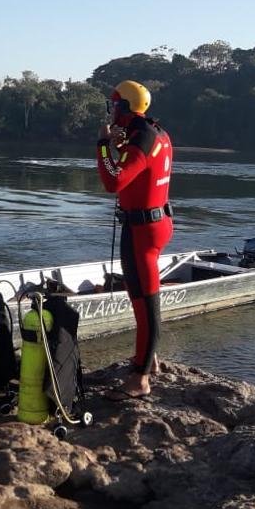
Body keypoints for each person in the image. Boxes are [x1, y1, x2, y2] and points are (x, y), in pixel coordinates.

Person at [96, 80, 174, 400]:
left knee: (144, 304)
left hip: (142, 229)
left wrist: (102, 145)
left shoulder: (141, 138)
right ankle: (148, 360)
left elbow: (114, 181)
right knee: (142, 298)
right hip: (155, 222)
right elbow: (137, 172)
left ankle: (140, 379)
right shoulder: (155, 132)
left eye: (114, 105)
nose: (111, 110)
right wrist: (118, 146)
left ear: (125, 107)